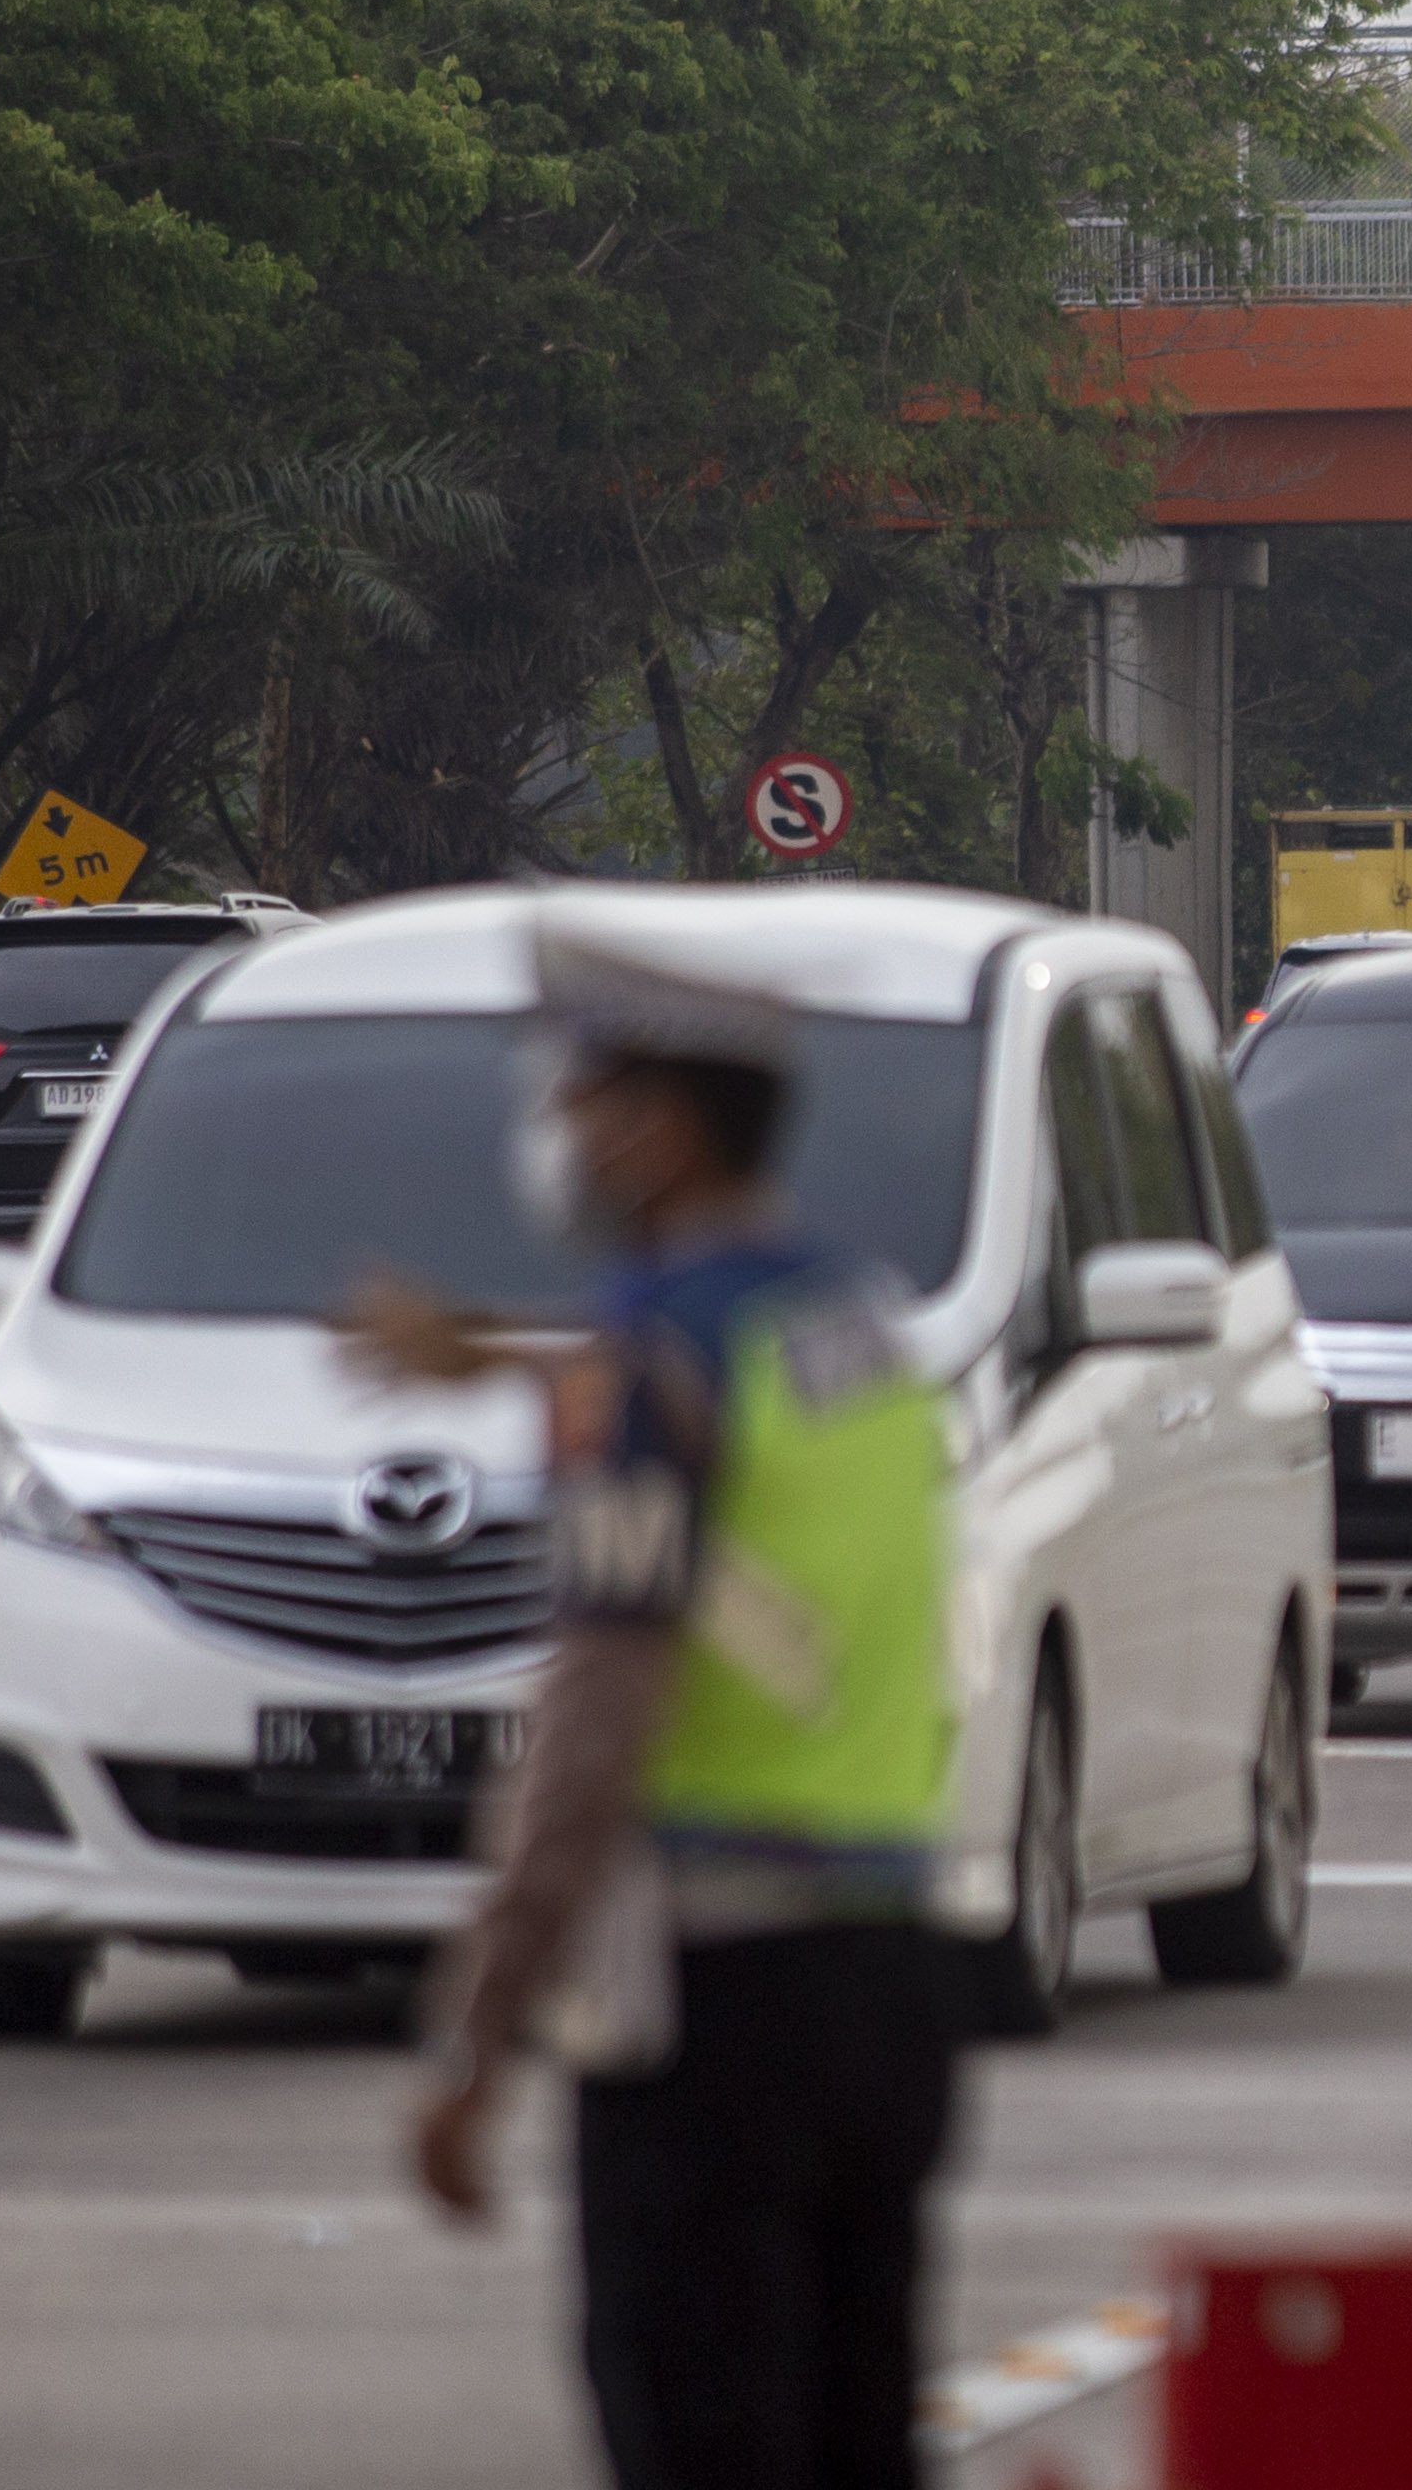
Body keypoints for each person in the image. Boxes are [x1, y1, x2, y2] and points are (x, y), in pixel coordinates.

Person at [345, 913, 962, 2490]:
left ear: (660, 1126)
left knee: (700, 2435)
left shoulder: (648, 1369)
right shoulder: (857, 1326)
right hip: (890, 1982)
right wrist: (497, 1362)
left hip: (718, 2014)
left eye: (581, 1102)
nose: (560, 1138)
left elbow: (598, 1717)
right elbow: (707, 1427)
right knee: (855, 2440)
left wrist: (481, 2028)